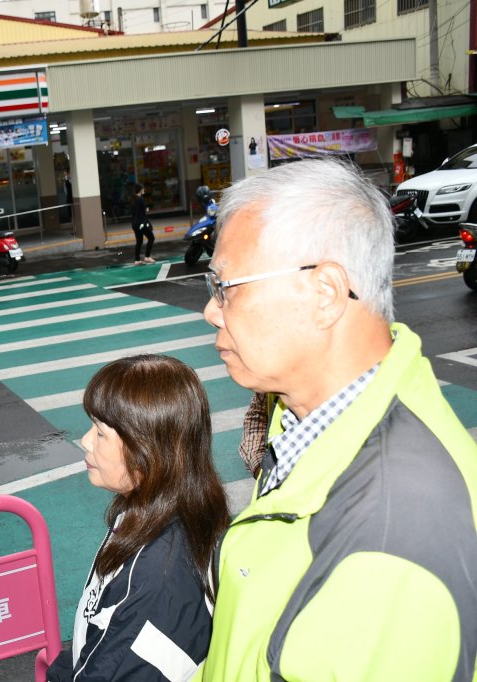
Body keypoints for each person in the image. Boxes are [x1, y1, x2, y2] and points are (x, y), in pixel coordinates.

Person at [196, 159, 477, 680]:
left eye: (226, 286)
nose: (213, 311)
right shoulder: (310, 426)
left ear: (325, 294)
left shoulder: (394, 527)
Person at [47, 355, 229, 681]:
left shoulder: (156, 577)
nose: (85, 441)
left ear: (147, 449)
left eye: (100, 433)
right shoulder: (158, 513)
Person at [131, 182, 155, 264]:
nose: (144, 190)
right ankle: (147, 257)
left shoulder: (133, 199)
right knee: (151, 238)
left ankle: (137, 260)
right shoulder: (141, 199)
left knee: (139, 241)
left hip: (135, 224)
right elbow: (145, 210)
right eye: (143, 188)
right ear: (141, 190)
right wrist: (147, 209)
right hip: (142, 223)